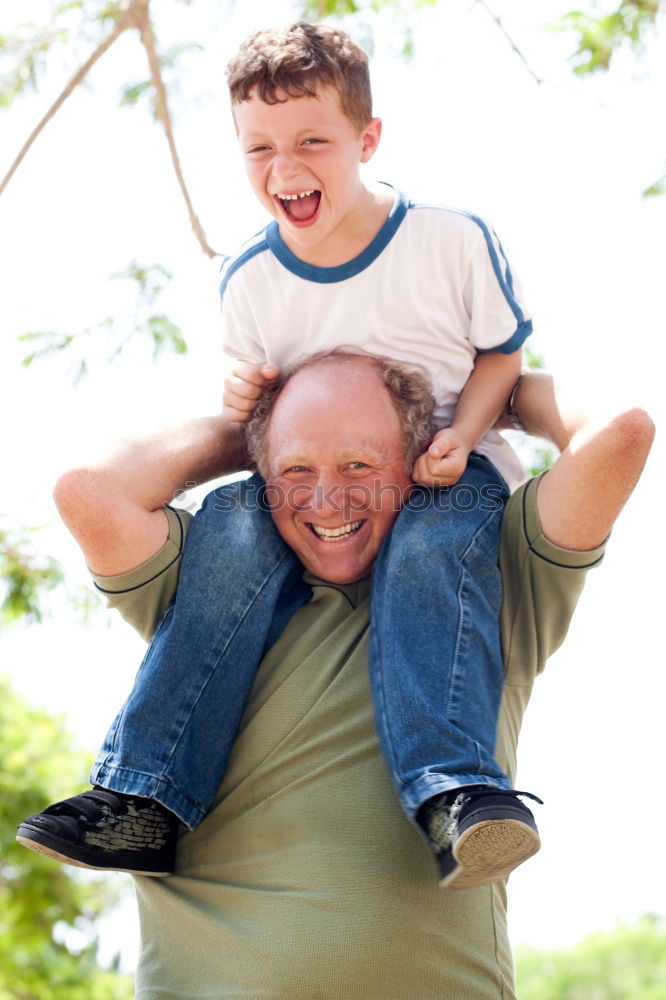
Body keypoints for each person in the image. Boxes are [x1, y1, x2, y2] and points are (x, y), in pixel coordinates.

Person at [19, 20, 544, 888]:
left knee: (430, 548)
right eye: (258, 147)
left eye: (312, 141)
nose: (284, 166)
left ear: (366, 139)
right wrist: (240, 401)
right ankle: (146, 795)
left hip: (444, 468)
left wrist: (460, 433)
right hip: (313, 482)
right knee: (229, 525)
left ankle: (461, 795)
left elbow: (501, 353)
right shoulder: (252, 281)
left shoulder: (449, 240)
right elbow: (263, 409)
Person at [24, 355, 656, 999]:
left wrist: (490, 404)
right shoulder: (207, 600)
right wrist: (253, 433)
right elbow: (87, 488)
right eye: (297, 471)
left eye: (358, 466)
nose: (327, 499)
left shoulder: (490, 582)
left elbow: (620, 431)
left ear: (417, 461)